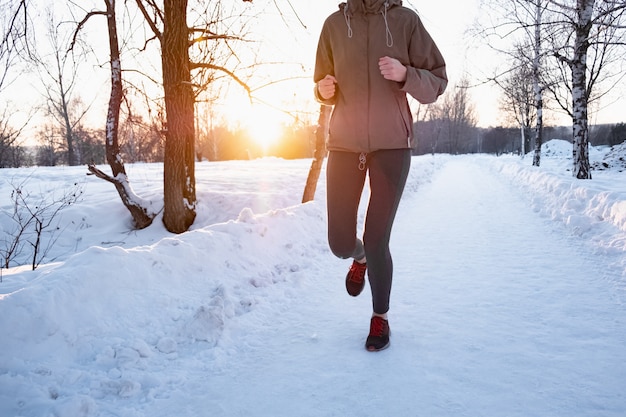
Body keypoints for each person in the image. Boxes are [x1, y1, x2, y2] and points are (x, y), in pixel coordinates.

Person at [314, 0, 447, 351]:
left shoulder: (405, 21)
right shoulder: (333, 25)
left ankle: (380, 317)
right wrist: (321, 90)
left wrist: (406, 75)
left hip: (392, 147)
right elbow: (322, 82)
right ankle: (357, 258)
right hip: (344, 145)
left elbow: (438, 80)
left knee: (377, 240)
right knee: (339, 243)